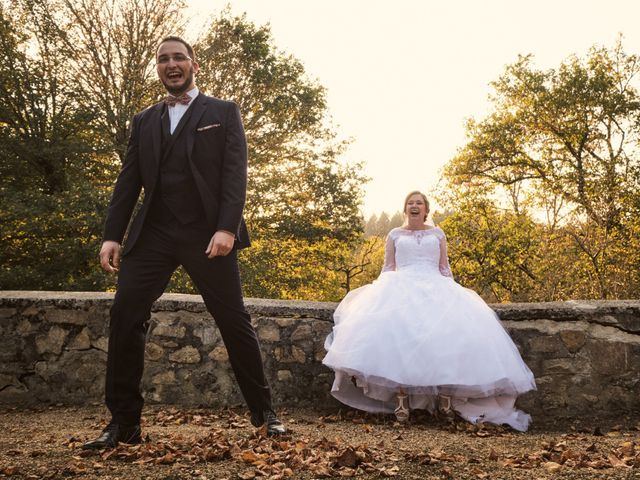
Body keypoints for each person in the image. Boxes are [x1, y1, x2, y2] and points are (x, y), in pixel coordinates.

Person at [83, 36, 285, 449]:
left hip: (206, 234)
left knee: (233, 320)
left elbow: (235, 174)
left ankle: (265, 414)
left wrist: (227, 228)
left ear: (193, 64)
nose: (171, 64)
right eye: (163, 59)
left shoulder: (223, 112)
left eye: (178, 57)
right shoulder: (144, 120)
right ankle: (124, 424)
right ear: (157, 68)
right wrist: (111, 235)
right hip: (154, 234)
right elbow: (128, 182)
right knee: (124, 315)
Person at [322, 191, 536, 431]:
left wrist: (454, 292)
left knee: (446, 341)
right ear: (405, 209)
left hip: (436, 286)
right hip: (401, 286)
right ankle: (401, 398)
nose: (415, 206)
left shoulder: (438, 233)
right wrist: (380, 293)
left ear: (426, 209)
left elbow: (444, 267)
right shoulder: (394, 234)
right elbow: (388, 267)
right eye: (410, 203)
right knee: (400, 341)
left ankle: (445, 398)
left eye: (419, 203)